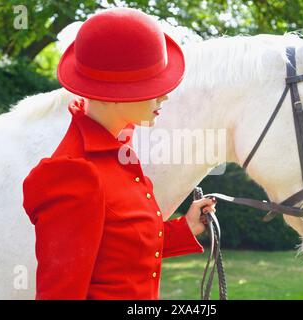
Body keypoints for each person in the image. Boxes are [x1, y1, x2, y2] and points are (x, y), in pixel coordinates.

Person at [22, 7, 217, 300]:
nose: (164, 95)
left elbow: (121, 252)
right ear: (114, 93)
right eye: (153, 86)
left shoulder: (116, 145)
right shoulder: (73, 173)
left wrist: (186, 227)